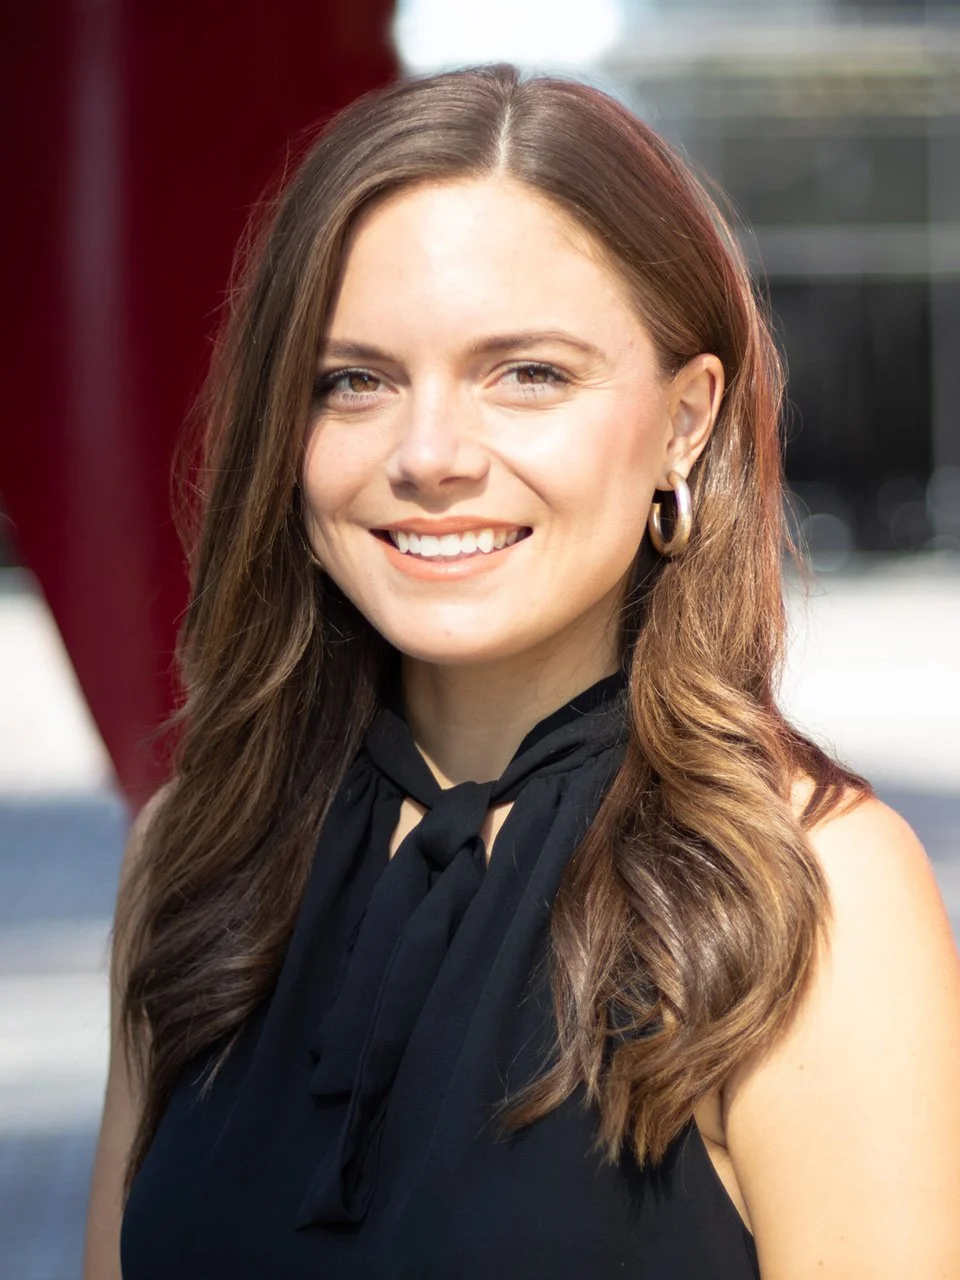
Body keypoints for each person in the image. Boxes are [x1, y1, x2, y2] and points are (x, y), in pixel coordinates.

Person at [83, 65, 960, 1279]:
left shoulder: (806, 890)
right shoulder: (195, 847)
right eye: (356, 381)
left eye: (529, 373)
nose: (430, 454)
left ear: (685, 421)